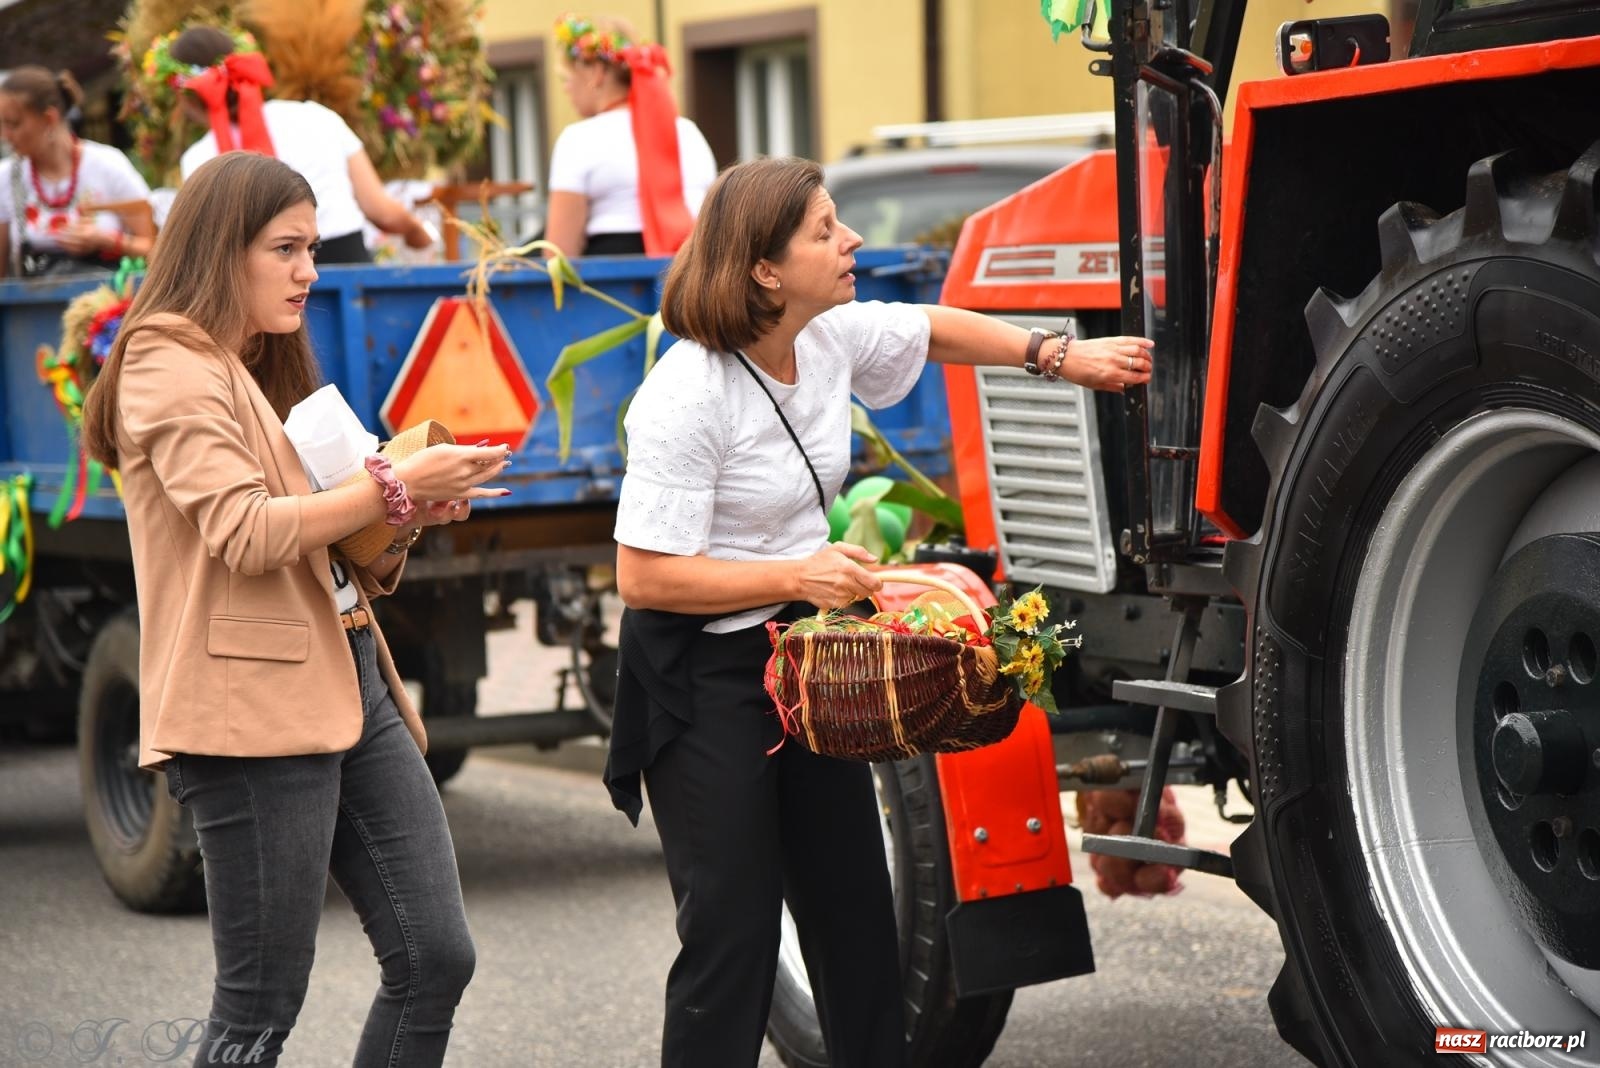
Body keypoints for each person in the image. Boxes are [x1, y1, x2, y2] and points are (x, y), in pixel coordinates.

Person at [606, 155, 1154, 1068]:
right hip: (700, 679)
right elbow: (645, 579)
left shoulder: (828, 336)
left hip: (809, 663)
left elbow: (934, 326)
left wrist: (1061, 356)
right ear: (765, 270)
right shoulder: (688, 392)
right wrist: (798, 572)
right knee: (732, 943)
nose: (851, 240)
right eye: (825, 230)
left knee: (859, 922)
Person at [79, 152, 509, 1067]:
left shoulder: (251, 366)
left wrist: (405, 509)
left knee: (437, 956)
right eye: (286, 248)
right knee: (260, 1011)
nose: (309, 270)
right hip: (250, 717)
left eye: (312, 247)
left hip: (352, 680)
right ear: (218, 249)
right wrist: (394, 482)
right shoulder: (164, 357)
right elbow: (245, 531)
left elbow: (323, 548)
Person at [168, 26, 433, 265]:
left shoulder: (197, 159)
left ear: (186, 96)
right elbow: (382, 211)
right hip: (349, 271)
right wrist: (417, 231)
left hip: (263, 293)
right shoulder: (315, 116)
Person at [544, 13, 717, 257]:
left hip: (610, 284)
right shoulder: (689, 132)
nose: (566, 88)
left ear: (596, 72)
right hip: (688, 274)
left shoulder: (578, 140)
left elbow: (559, 253)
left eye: (567, 77)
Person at [0, 67, 154, 278]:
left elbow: (155, 248)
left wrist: (105, 240)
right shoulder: (7, 178)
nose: (5, 135)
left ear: (49, 118)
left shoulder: (107, 165)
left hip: (107, 303)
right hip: (33, 306)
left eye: (13, 124)